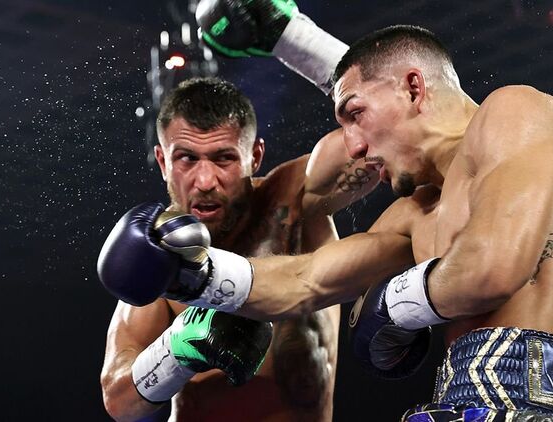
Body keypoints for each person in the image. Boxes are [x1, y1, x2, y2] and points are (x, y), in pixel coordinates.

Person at [101, 4, 553, 421]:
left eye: (354, 115)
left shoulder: (516, 110)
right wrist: (196, 277)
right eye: (186, 160)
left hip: (547, 406)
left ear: (414, 88)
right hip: (455, 404)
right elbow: (306, 281)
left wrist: (393, 304)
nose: (353, 146)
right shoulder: (414, 216)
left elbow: (491, 270)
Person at [99, 77, 384, 422]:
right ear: (163, 162)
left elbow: (379, 135)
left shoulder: (294, 201)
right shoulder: (159, 256)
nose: (206, 181)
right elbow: (118, 401)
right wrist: (175, 349)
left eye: (224, 159)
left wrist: (295, 47)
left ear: (255, 156)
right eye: (187, 158)